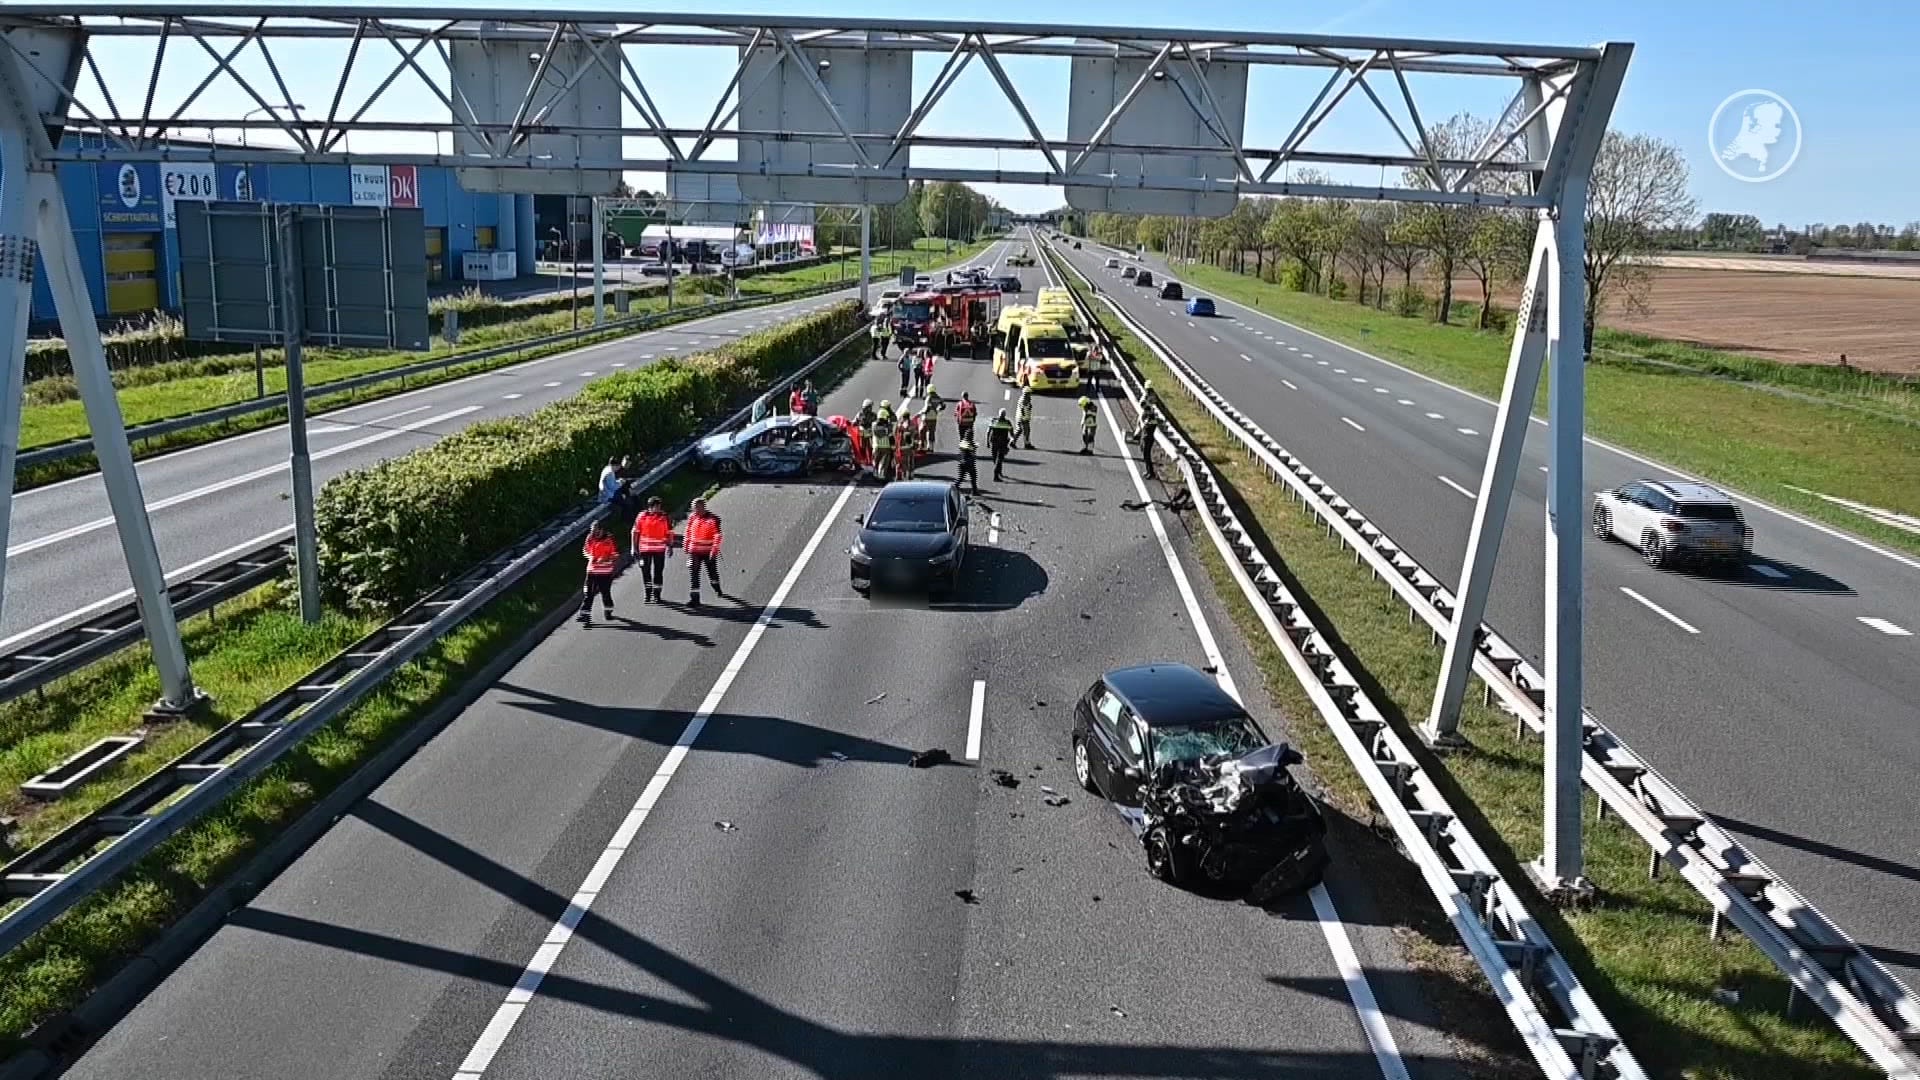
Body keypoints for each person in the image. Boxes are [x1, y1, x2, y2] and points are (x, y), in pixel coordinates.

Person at [630, 496, 674, 604]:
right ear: (650, 507)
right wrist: (633, 547)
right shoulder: (642, 516)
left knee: (658, 572)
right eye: (656, 506)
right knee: (646, 572)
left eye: (659, 506)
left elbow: (669, 533)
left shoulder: (664, 517)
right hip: (645, 549)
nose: (658, 508)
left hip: (659, 549)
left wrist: (670, 546)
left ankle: (657, 595)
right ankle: (648, 593)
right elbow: (635, 532)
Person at [683, 497, 724, 606]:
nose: (694, 510)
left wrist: (714, 550)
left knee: (712, 573)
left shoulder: (713, 519)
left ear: (702, 507)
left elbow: (717, 536)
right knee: (694, 574)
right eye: (693, 508)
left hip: (708, 551)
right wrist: (686, 546)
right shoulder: (692, 517)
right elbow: (688, 532)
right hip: (694, 551)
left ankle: (717, 588)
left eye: (696, 507)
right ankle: (695, 599)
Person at [578, 522, 619, 625]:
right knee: (588, 593)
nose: (594, 533)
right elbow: (585, 550)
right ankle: (584, 615)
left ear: (602, 530)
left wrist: (605, 559)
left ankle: (608, 610)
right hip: (592, 571)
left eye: (596, 531)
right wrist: (591, 557)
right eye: (592, 531)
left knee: (605, 592)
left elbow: (615, 554)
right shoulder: (590, 538)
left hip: (605, 572)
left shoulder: (609, 539)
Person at [870, 403, 897, 482]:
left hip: (876, 446)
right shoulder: (888, 426)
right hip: (886, 447)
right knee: (883, 462)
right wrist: (893, 447)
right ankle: (881, 476)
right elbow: (891, 436)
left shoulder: (873, 425)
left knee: (875, 461)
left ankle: (875, 474)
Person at [1135, 400, 1161, 480]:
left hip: (1149, 438)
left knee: (1147, 456)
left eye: (1146, 411)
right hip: (1145, 437)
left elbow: (1149, 424)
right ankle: (1148, 471)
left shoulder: (1152, 419)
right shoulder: (1148, 417)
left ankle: (1151, 473)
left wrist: (1146, 422)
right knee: (1145, 456)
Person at [988, 408, 1015, 482]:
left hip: (994, 442)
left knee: (995, 458)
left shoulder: (994, 421)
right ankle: (996, 475)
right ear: (1004, 415)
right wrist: (1011, 441)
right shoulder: (1007, 422)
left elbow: (988, 431)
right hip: (1002, 443)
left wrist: (987, 442)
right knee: (999, 459)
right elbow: (1012, 434)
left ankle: (999, 471)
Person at [955, 427, 980, 494]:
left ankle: (974, 491)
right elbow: (971, 452)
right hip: (969, 463)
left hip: (962, 463)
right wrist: (975, 447)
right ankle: (974, 491)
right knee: (973, 477)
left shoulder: (963, 442)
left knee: (961, 478)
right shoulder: (969, 444)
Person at [921, 386, 943, 452]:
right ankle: (932, 447)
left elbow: (927, 407)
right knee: (932, 432)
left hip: (927, 417)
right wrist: (938, 410)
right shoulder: (938, 397)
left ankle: (925, 447)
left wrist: (923, 412)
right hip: (934, 417)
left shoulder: (929, 397)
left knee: (925, 431)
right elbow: (943, 405)